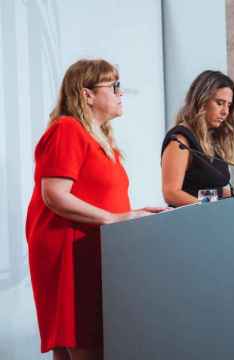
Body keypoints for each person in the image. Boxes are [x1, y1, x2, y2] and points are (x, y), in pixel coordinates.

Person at [25, 59, 163, 360]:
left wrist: (133, 215)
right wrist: (114, 219)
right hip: (71, 249)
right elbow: (54, 195)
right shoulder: (67, 129)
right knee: (85, 340)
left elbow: (98, 197)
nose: (120, 93)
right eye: (113, 86)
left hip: (94, 246)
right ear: (86, 94)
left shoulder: (101, 140)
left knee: (82, 342)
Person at [161, 70, 234, 206]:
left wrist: (221, 194)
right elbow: (171, 193)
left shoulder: (211, 139)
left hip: (213, 220)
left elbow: (196, 191)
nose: (225, 111)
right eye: (220, 103)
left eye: (229, 105)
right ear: (201, 100)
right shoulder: (180, 140)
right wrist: (212, 208)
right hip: (190, 222)